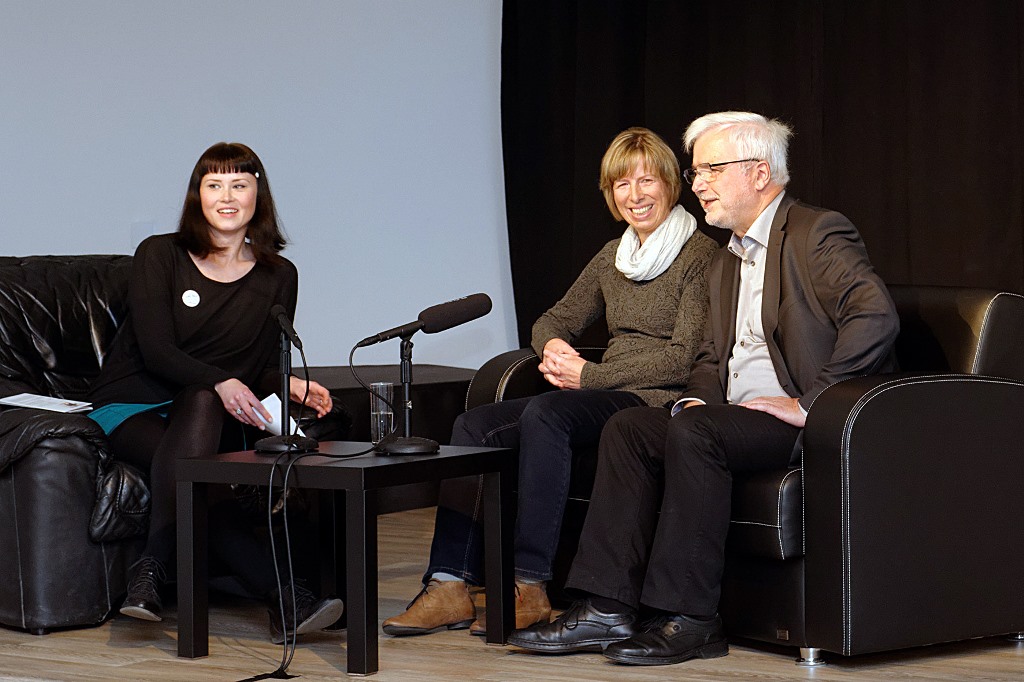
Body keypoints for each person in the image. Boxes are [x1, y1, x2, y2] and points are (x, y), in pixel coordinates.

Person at [508, 111, 900, 665]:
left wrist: (813, 402)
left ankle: (690, 618)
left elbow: (875, 315)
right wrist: (694, 398)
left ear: (759, 173)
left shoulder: (816, 232)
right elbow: (712, 355)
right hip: (734, 415)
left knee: (697, 434)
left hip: (806, 418)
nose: (697, 185)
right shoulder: (729, 258)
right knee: (630, 428)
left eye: (711, 170)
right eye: (696, 173)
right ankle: (606, 608)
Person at [382, 127, 718, 637]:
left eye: (646, 181)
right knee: (474, 426)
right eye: (622, 184)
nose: (635, 195)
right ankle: (449, 585)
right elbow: (553, 319)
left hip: (652, 399)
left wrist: (590, 375)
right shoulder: (613, 256)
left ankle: (530, 586)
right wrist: (554, 347)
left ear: (671, 184)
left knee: (548, 413)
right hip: (601, 390)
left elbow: (682, 359)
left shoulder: (700, 256)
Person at [87, 142, 344, 644]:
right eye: (214, 184)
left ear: (257, 196)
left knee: (201, 425)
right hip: (134, 401)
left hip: (203, 413)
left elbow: (256, 361)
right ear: (197, 195)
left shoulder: (280, 275)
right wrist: (222, 381)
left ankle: (150, 573)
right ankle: (286, 599)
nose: (227, 196)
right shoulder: (160, 253)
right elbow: (157, 351)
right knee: (203, 447)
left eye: (239, 184)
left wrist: (287, 381)